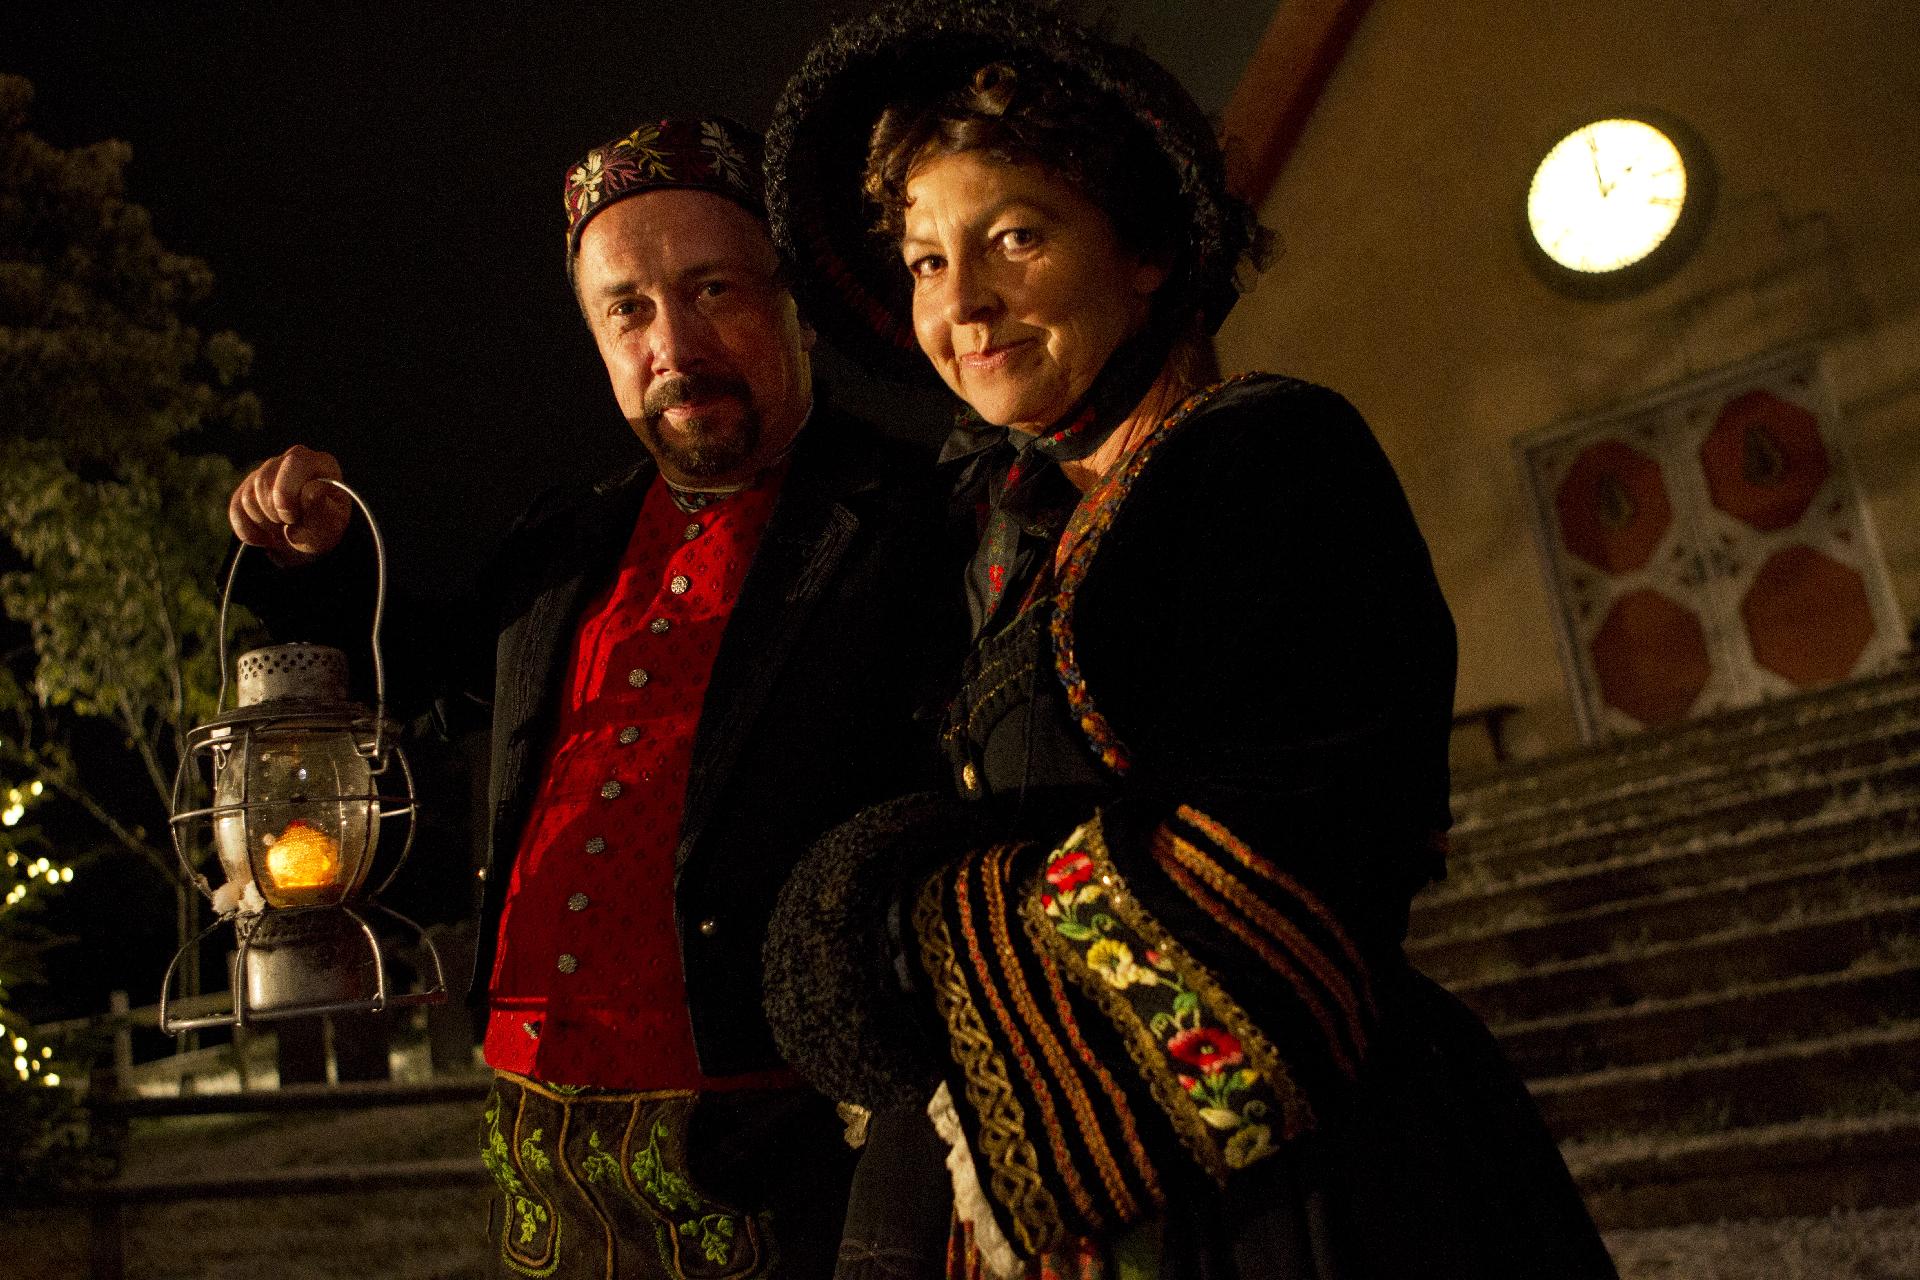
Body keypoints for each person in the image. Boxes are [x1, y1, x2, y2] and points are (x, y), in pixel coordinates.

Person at [757, 4, 1620, 1277]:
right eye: (928, 261)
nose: (965, 302)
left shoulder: (1267, 459)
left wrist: (915, 926)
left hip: (1292, 1196)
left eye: (1015, 237)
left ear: (1147, 246)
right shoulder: (1002, 534)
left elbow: (1290, 860)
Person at [228, 116, 959, 1280]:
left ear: (796, 304)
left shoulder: (922, 519)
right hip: (535, 1140)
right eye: (628, 308)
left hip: (784, 1140)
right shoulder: (566, 536)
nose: (673, 343)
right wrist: (315, 562)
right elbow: (420, 677)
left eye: (712, 287)